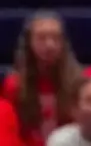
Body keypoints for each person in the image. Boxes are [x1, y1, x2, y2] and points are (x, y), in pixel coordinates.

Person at [3, 12, 81, 146]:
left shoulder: (78, 83)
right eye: (41, 38)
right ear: (29, 42)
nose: (49, 45)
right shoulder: (14, 85)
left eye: (55, 38)